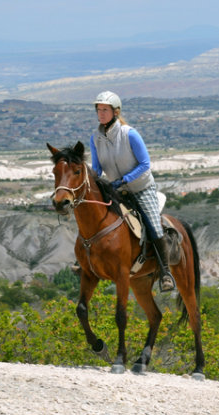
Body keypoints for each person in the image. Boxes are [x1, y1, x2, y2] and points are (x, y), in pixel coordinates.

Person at [89, 91, 175, 292]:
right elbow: (97, 168)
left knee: (154, 225)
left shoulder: (129, 134)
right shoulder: (95, 138)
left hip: (141, 188)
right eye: (98, 110)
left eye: (105, 110)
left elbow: (145, 163)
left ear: (116, 112)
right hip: (117, 191)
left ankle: (165, 273)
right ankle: (85, 261)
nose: (101, 114)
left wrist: (125, 180)